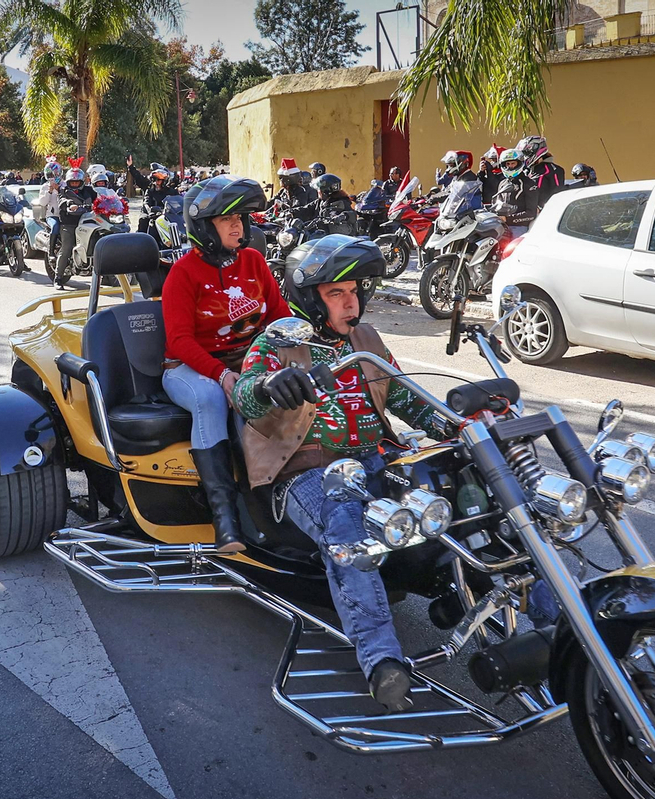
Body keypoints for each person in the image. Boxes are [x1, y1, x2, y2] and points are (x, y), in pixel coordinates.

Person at [233, 235, 459, 711]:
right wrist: (275, 384)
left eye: (354, 290)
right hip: (307, 472)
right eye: (337, 293)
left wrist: (460, 422)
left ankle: (539, 616)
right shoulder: (280, 339)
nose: (351, 301)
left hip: (376, 459)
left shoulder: (366, 340)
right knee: (346, 524)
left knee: (463, 484)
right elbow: (246, 394)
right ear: (310, 298)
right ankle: (381, 660)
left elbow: (405, 400)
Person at [159, 175, 288, 552]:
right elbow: (179, 342)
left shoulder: (253, 261)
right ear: (203, 226)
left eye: (241, 218)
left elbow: (279, 318)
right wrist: (223, 375)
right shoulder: (183, 274)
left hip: (245, 361)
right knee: (211, 400)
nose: (238, 225)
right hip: (189, 368)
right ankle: (226, 522)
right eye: (227, 218)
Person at [50, 167, 95, 279]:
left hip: (88, 222)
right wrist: (70, 205)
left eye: (77, 182)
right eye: (72, 182)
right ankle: (58, 277)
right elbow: (62, 200)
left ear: (81, 182)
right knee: (67, 248)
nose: (74, 184)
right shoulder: (64, 191)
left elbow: (100, 198)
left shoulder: (89, 191)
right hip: (69, 223)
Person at [270, 158, 318, 222]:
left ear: (289, 179)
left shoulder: (300, 191)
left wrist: (286, 212)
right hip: (282, 221)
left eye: (281, 178)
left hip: (296, 224)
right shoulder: (283, 191)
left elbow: (297, 209)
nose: (280, 180)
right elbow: (271, 203)